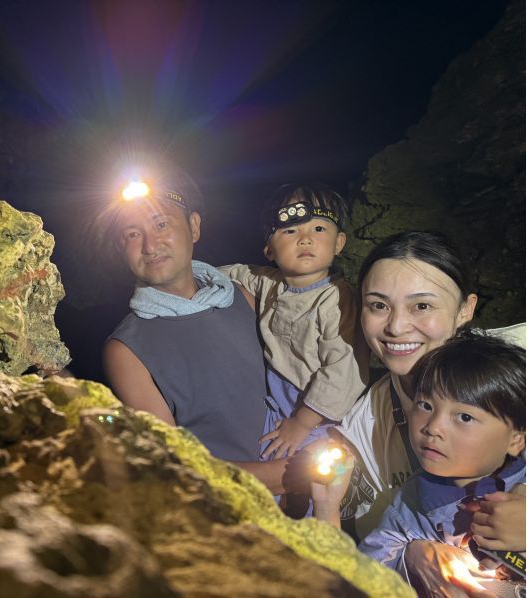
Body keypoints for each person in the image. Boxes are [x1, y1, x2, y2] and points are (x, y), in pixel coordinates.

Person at [306, 230, 525, 594]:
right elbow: (375, 555)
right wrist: (410, 558)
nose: (395, 326)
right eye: (378, 305)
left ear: (465, 309)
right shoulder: (364, 430)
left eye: (422, 306)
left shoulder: (516, 369)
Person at [100, 164, 289, 492]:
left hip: (310, 490)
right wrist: (285, 477)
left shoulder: (242, 296)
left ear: (194, 226)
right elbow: (174, 463)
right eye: (132, 233)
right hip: (229, 513)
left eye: (161, 224)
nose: (149, 244)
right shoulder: (126, 349)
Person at [358, 331, 525, 592]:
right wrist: (411, 560)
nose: (433, 427)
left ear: (516, 440)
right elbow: (366, 570)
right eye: (425, 405)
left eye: (465, 417)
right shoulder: (413, 503)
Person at [222, 184, 369, 461]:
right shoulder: (267, 282)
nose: (305, 239)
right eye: (290, 231)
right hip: (276, 404)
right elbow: (232, 272)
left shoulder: (336, 299)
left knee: (311, 477)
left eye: (318, 229)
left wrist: (302, 423)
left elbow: (343, 370)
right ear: (269, 250)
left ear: (339, 242)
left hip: (320, 416)